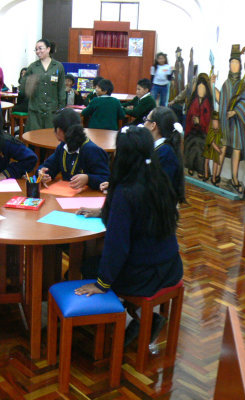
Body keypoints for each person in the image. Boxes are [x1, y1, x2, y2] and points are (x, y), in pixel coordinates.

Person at [74, 125, 183, 346]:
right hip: (171, 266)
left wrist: (102, 284)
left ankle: (128, 322)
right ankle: (142, 317)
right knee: (103, 263)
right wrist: (104, 211)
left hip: (146, 275)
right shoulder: (159, 179)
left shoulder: (125, 191)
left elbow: (117, 246)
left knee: (88, 267)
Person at [212, 44, 245, 194]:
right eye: (231, 63)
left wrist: (235, 112)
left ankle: (235, 179)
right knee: (222, 147)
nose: (233, 65)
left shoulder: (244, 84)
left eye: (236, 63)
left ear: (240, 66)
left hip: (237, 123)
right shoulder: (226, 84)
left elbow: (244, 102)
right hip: (225, 123)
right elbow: (221, 99)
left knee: (236, 149)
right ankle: (216, 175)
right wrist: (212, 84)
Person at [38, 108, 110, 190]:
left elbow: (106, 179)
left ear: (59, 130)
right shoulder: (62, 147)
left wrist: (88, 179)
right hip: (66, 195)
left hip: (88, 197)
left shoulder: (91, 150)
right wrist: (42, 173)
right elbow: (48, 167)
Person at [143, 106, 185, 204]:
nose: (144, 123)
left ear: (153, 125)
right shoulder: (158, 148)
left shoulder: (165, 152)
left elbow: (157, 187)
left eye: (146, 119)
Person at [21, 39, 66, 131]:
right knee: (34, 138)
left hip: (52, 110)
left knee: (50, 138)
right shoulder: (32, 67)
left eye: (40, 48)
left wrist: (61, 108)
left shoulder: (58, 66)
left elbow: (61, 89)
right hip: (36, 110)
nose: (38, 51)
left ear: (48, 49)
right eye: (36, 49)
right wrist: (29, 83)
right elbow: (22, 87)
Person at [184, 73, 213, 179]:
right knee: (191, 143)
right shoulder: (194, 102)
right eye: (199, 88)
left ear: (206, 90)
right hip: (193, 130)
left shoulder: (207, 104)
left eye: (203, 89)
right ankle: (190, 167)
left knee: (200, 145)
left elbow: (208, 120)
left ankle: (200, 169)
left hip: (203, 132)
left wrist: (200, 121)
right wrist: (193, 120)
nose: (201, 91)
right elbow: (189, 118)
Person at [202, 111, 225, 186]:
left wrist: (220, 147)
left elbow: (221, 138)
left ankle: (213, 178)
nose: (215, 123)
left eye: (217, 122)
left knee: (215, 162)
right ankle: (206, 175)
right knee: (206, 161)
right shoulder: (210, 130)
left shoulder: (219, 131)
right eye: (214, 122)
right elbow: (210, 140)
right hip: (209, 148)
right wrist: (217, 148)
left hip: (216, 149)